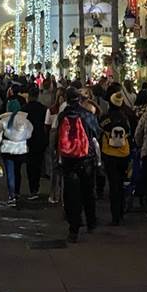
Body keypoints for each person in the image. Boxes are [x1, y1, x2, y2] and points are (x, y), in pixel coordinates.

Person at [58, 88, 100, 242]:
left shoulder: (63, 116)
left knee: (72, 194)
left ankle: (73, 229)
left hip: (69, 159)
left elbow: (57, 136)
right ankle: (91, 222)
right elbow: (96, 133)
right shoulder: (87, 115)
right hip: (86, 158)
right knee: (88, 191)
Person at [100, 89, 136, 225]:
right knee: (121, 184)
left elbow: (99, 129)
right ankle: (121, 212)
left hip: (109, 154)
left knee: (113, 185)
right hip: (124, 154)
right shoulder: (126, 117)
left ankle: (115, 216)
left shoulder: (106, 118)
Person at [0, 97, 33, 206]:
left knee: (10, 172)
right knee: (18, 171)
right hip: (20, 149)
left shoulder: (3, 120)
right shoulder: (25, 121)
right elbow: (29, 134)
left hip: (7, 148)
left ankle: (11, 196)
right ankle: (17, 192)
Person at [24, 83, 49, 201]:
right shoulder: (43, 109)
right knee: (38, 164)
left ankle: (32, 188)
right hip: (40, 139)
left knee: (30, 165)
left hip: (28, 139)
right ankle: (36, 187)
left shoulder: (24, 109)